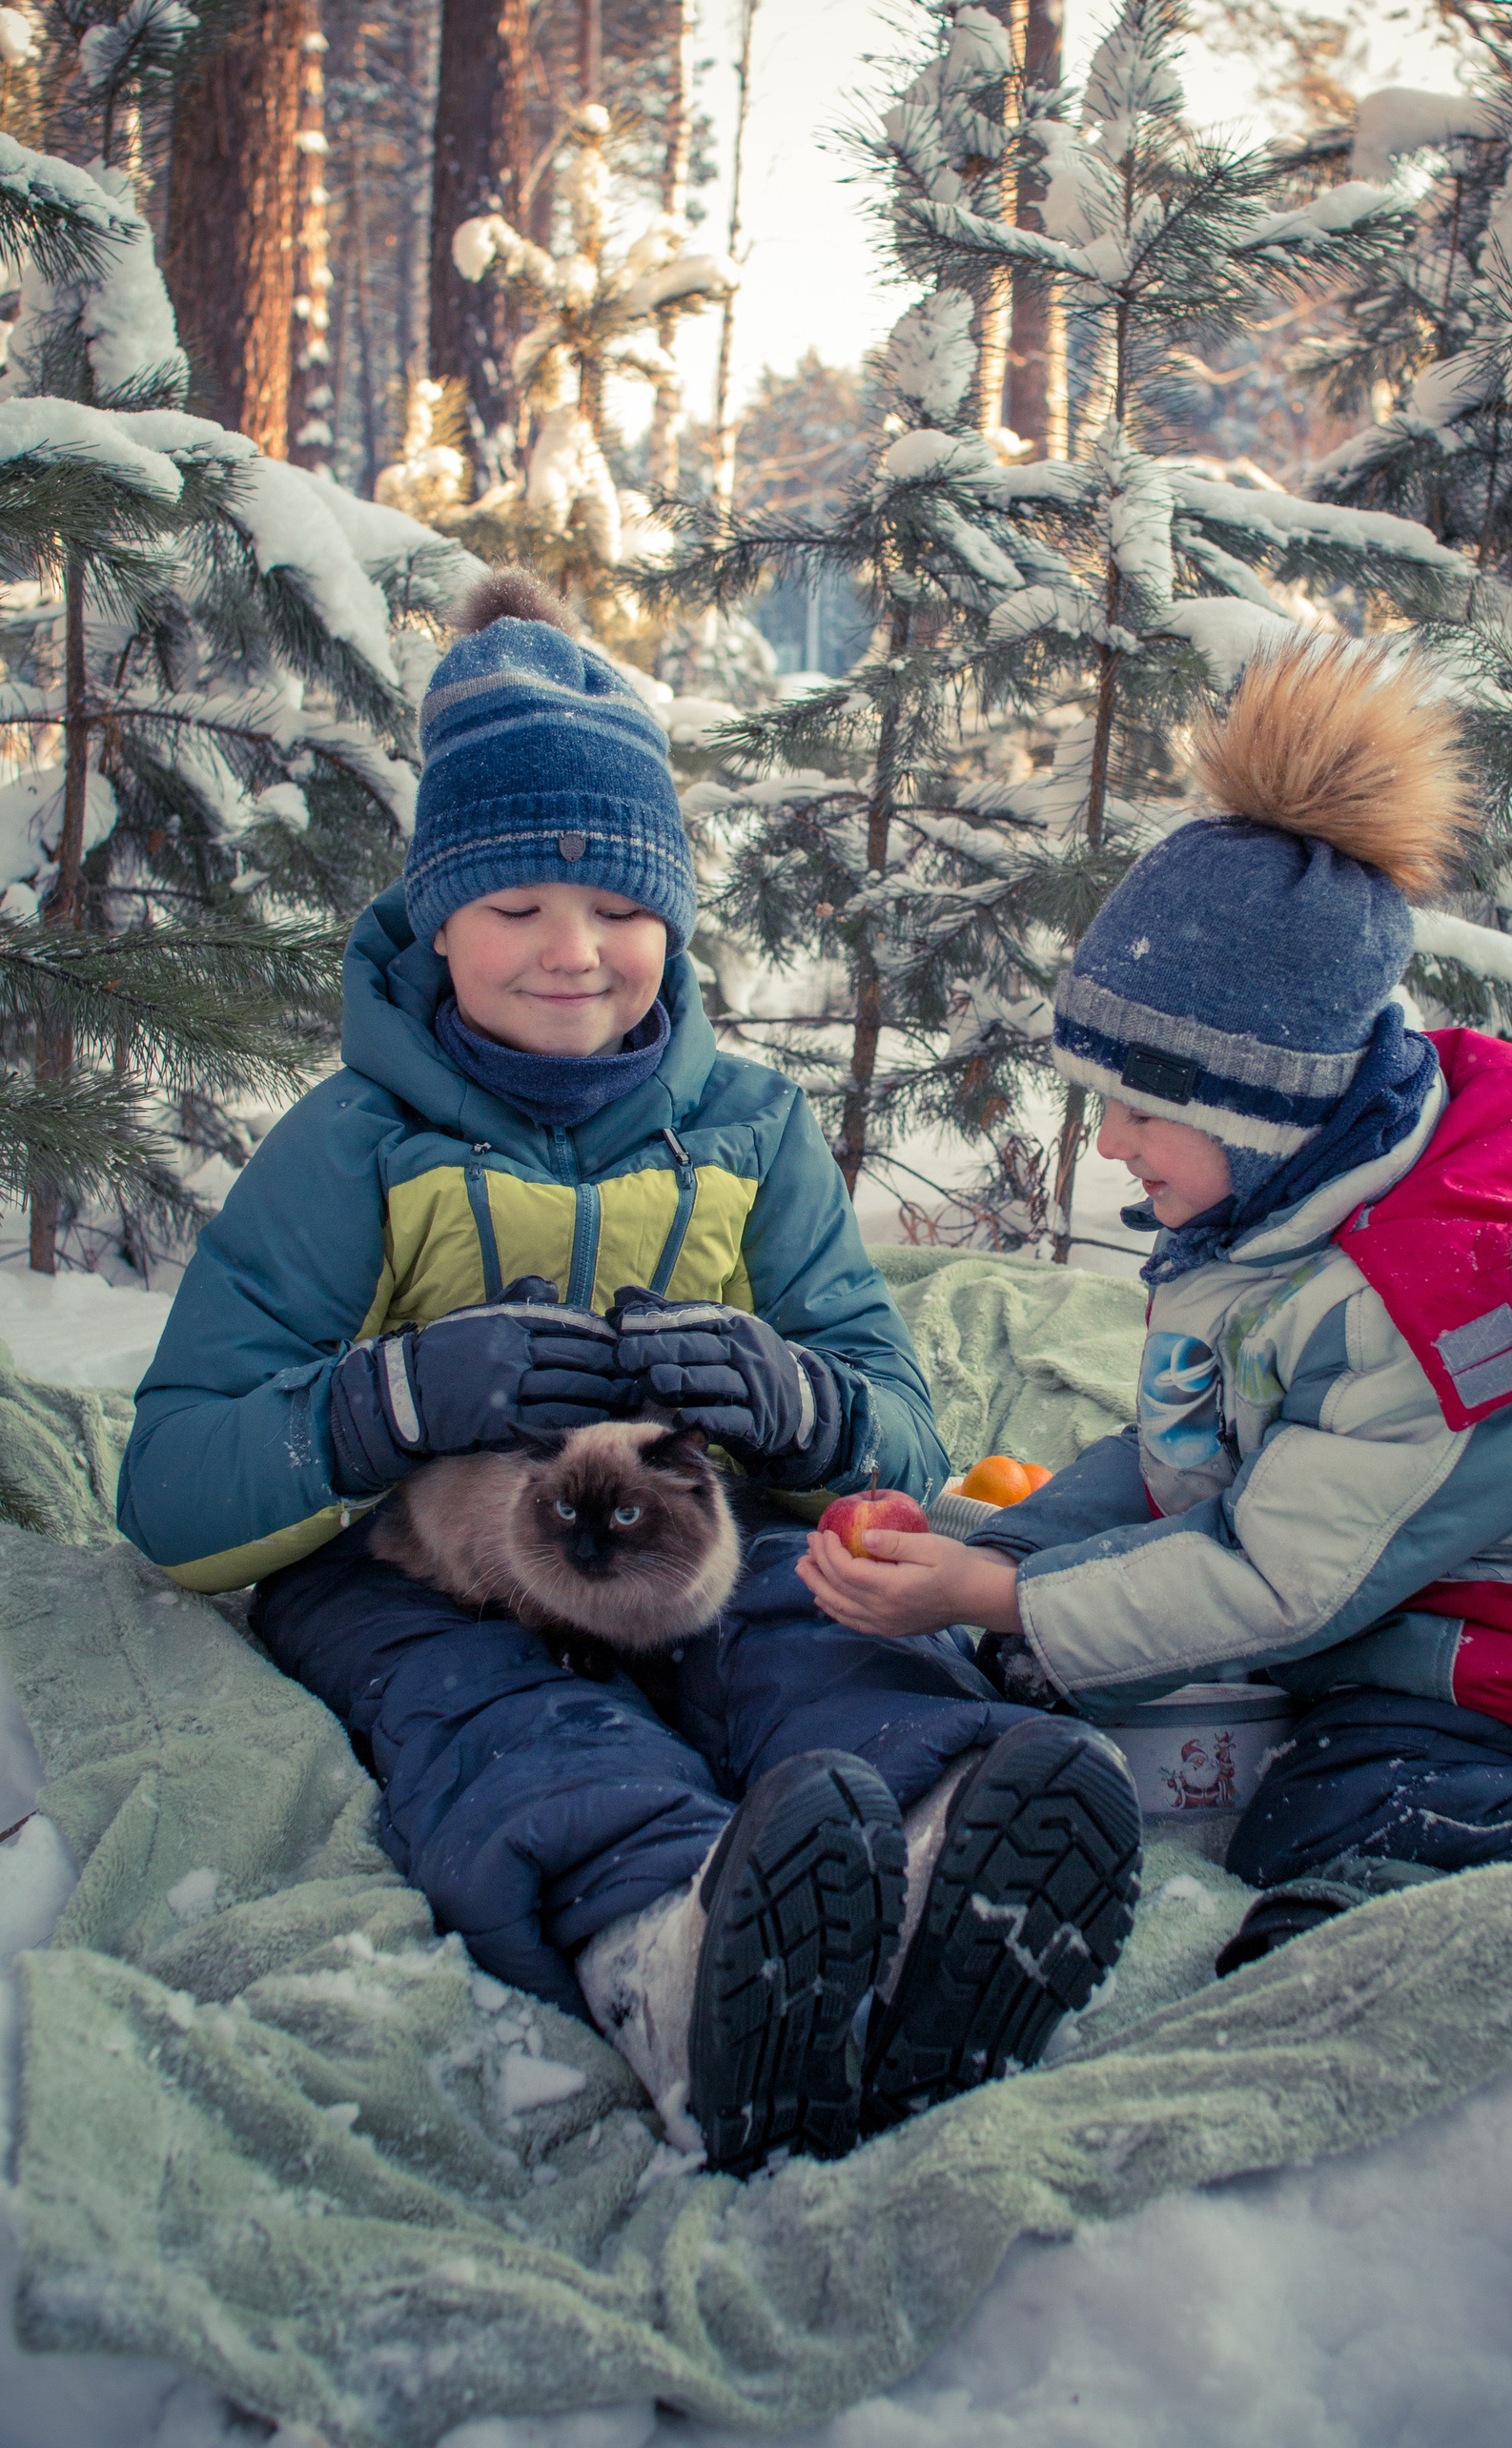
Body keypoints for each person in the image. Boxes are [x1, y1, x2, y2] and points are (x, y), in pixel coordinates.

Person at [116, 569, 1141, 2172]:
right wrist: (389, 1405)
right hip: (420, 1579)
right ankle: (674, 1950)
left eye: (619, 907)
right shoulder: (353, 1146)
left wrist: (797, 1404)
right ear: (436, 917)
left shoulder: (750, 1130)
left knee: (816, 1619)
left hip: (691, 1541)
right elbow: (176, 1489)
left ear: (674, 917)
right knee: (503, 1718)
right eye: (516, 907)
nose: (574, 954)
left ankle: (947, 1864)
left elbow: (897, 1424)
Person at [799, 635, 1512, 1970]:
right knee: (1122, 1683)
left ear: (1263, 1107)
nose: (1110, 1144)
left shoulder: (1440, 1302)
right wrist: (1003, 1557)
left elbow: (1278, 1577)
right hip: (1410, 1590)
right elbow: (1187, 1451)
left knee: (1322, 1816)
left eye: (1144, 1112)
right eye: (1103, 1102)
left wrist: (1008, 1599)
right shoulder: (1278, 1205)